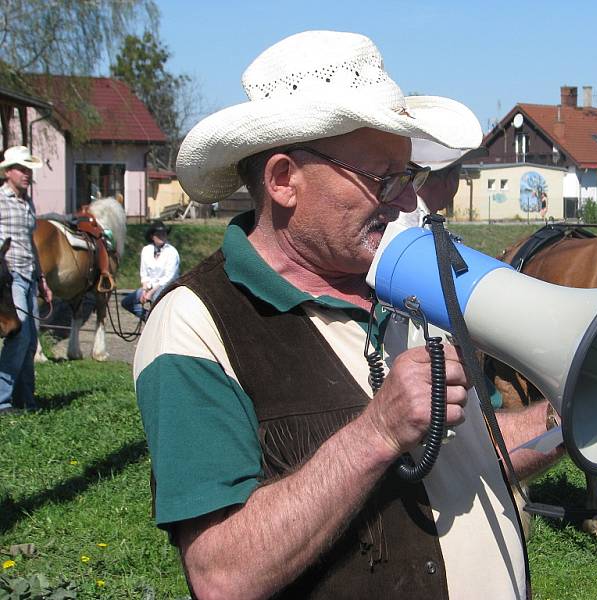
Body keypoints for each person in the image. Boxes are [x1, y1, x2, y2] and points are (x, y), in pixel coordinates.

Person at [134, 31, 561, 599]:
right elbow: (221, 574)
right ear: (284, 180)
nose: (408, 202)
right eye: (384, 179)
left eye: (409, 178)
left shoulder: (404, 284)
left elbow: (471, 454)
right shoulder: (193, 323)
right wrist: (377, 432)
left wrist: (571, 422)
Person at [0, 146, 52, 413]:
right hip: (11, 279)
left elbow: (31, 244)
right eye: (21, 169)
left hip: (30, 276)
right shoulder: (0, 200)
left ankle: (25, 399)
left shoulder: (27, 202)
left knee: (31, 340)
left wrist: (42, 279)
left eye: (28, 170)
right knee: (18, 336)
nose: (26, 174)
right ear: (8, 172)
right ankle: (3, 399)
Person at [122, 220, 180, 320]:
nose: (162, 236)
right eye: (159, 234)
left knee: (155, 297)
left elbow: (167, 278)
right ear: (152, 236)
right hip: (150, 287)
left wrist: (150, 293)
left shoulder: (172, 252)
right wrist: (145, 290)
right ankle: (149, 318)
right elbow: (144, 274)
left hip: (166, 287)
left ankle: (155, 321)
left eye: (164, 233)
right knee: (127, 302)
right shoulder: (146, 250)